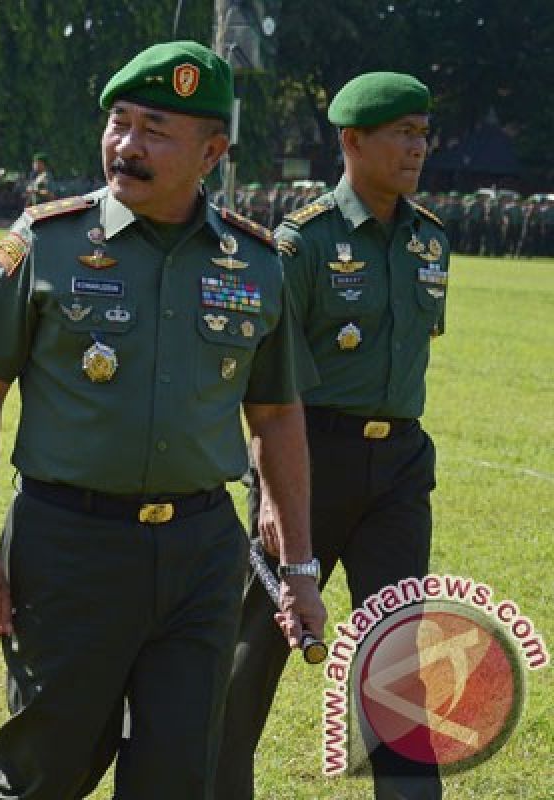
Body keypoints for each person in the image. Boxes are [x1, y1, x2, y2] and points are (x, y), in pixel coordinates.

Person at [0, 41, 324, 799]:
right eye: (119, 122)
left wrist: (301, 569)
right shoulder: (45, 242)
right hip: (69, 545)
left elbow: (277, 416)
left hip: (201, 552)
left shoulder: (254, 262)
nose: (127, 144)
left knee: (180, 770)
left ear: (211, 151)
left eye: (155, 129)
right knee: (48, 764)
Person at [218, 71, 448, 800]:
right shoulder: (302, 243)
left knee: (397, 649)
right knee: (257, 645)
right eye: (401, 133)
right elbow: (259, 376)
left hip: (401, 465)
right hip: (308, 459)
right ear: (352, 141)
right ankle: (216, 785)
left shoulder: (431, 242)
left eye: (422, 133)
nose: (418, 147)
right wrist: (268, 492)